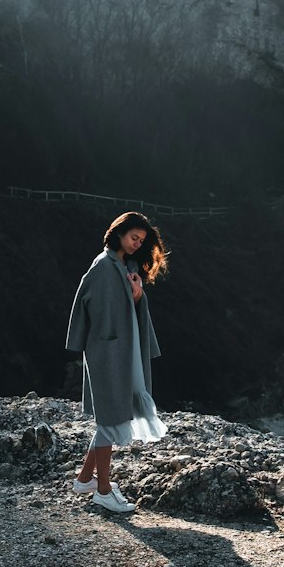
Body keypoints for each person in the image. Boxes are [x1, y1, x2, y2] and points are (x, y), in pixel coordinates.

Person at [65, 210, 168, 513]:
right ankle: (103, 490)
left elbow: (125, 306)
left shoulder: (124, 266)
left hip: (124, 350)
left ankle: (85, 479)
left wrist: (137, 296)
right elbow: (84, 302)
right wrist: (96, 342)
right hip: (108, 352)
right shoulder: (103, 266)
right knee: (111, 417)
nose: (138, 244)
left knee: (114, 414)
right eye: (134, 237)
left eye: (142, 240)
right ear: (120, 233)